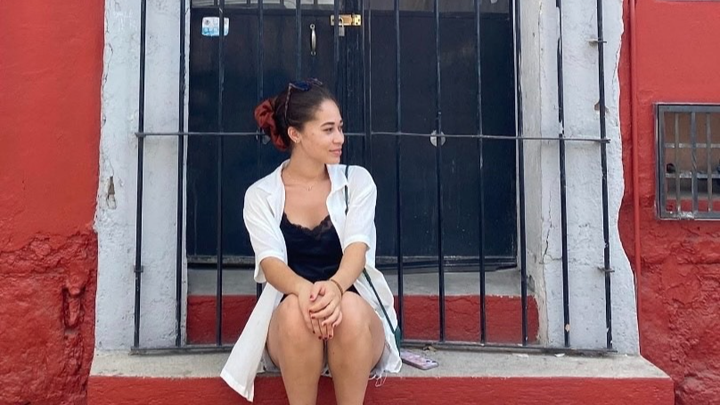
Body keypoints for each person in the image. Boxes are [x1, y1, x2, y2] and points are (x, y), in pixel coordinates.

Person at [221, 79, 401, 405]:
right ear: (296, 134)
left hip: (355, 324)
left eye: (340, 128)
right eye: (328, 129)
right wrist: (306, 293)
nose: (340, 138)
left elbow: (357, 249)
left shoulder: (357, 182)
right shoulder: (261, 195)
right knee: (294, 309)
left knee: (349, 306)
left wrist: (334, 289)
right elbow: (270, 264)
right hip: (294, 330)